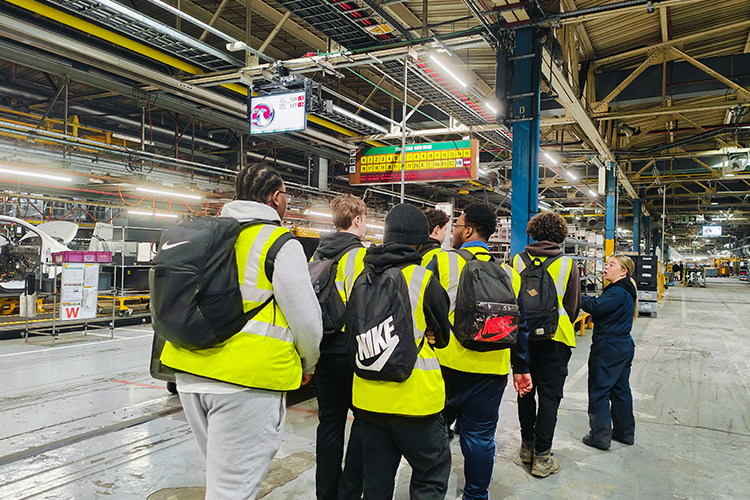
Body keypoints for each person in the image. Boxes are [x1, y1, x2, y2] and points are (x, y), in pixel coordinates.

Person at [160, 164, 322, 500]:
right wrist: (309, 362)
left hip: (190, 374)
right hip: (246, 382)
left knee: (223, 482)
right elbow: (306, 319)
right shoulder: (278, 241)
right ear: (276, 197)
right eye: (285, 196)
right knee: (232, 491)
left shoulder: (208, 234)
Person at [346, 203, 452, 500]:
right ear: (421, 240)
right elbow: (442, 337)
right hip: (415, 402)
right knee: (430, 477)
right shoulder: (423, 280)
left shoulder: (360, 278)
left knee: (376, 483)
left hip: (368, 401)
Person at [433, 203, 532, 500]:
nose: (454, 231)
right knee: (480, 438)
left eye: (458, 225)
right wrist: (522, 368)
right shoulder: (509, 273)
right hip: (492, 370)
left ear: (470, 230)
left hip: (447, 365)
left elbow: (420, 305)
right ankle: (476, 495)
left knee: (435, 434)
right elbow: (520, 325)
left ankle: (433, 491)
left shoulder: (443, 262)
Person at [512, 211, 580, 478]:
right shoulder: (567, 264)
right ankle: (542, 457)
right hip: (556, 339)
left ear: (533, 232)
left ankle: (526, 447)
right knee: (550, 397)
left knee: (525, 392)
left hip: (522, 339)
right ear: (560, 236)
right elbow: (573, 306)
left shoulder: (517, 260)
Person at [311, 194, 367, 500]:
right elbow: (364, 306)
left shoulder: (318, 255)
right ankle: (349, 491)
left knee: (329, 423)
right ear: (357, 220)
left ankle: (326, 493)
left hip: (323, 348)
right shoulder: (357, 256)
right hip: (350, 350)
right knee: (363, 419)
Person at [581, 254, 638, 450]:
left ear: (624, 271)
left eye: (611, 265)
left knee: (599, 391)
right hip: (622, 345)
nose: (606, 267)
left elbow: (595, 307)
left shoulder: (617, 292)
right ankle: (624, 433)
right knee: (620, 390)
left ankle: (600, 437)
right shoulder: (625, 290)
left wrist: (575, 295)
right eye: (606, 264)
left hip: (609, 347)